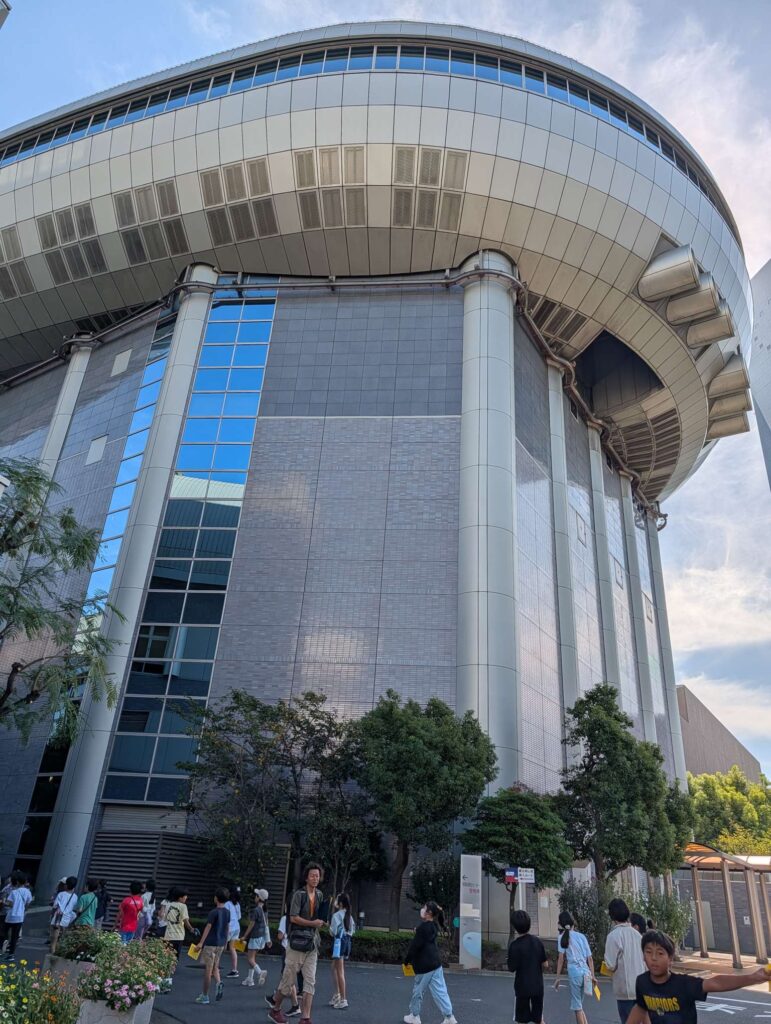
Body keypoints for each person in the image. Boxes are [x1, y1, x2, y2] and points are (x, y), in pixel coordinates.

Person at [626, 929, 768, 1024]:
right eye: (648, 952)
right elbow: (641, 1007)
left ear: (670, 959)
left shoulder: (683, 984)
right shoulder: (642, 982)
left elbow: (716, 983)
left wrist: (754, 977)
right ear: (643, 956)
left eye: (660, 953)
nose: (653, 958)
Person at [268, 863, 326, 1024]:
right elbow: (293, 917)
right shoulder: (299, 895)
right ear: (306, 878)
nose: (315, 878)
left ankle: (305, 1018)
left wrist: (322, 922)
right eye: (312, 875)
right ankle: (275, 1009)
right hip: (297, 943)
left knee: (310, 981)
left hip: (312, 944)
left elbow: (319, 917)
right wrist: (312, 923)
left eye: (317, 876)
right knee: (288, 981)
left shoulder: (320, 895)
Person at [402, 900, 458, 1024]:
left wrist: (406, 961)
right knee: (441, 991)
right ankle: (449, 1017)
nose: (422, 909)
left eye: (424, 908)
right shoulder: (434, 926)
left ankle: (414, 1016)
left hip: (424, 966)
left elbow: (415, 947)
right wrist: (418, 931)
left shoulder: (423, 928)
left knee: (418, 991)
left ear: (429, 913)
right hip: (436, 964)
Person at [604, 898, 646, 1024]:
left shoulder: (613, 936)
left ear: (612, 916)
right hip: (641, 987)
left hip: (625, 990)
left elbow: (610, 965)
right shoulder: (638, 935)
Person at [554, 910, 596, 1024]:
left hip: (574, 972)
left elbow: (561, 959)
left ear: (561, 924)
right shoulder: (582, 936)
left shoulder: (561, 937)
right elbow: (590, 958)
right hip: (586, 972)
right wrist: (593, 976)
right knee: (579, 1005)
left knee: (577, 1007)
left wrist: (557, 978)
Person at [507, 909, 547, 1024]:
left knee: (522, 1019)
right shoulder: (537, 942)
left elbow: (511, 968)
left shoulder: (514, 946)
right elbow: (545, 964)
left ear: (515, 927)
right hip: (538, 986)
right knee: (539, 1019)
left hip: (522, 987)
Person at [193, 886, 230, 1005]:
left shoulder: (213, 912)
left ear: (216, 898)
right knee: (215, 967)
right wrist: (226, 942)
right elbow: (227, 928)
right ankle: (219, 983)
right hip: (221, 944)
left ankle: (205, 995)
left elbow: (208, 927)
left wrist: (201, 942)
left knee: (208, 970)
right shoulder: (227, 912)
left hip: (210, 943)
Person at [265, 906, 302, 1018]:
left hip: (287, 949)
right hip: (297, 950)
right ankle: (277, 999)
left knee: (287, 978)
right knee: (287, 977)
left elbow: (280, 936)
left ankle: (290, 1004)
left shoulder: (285, 918)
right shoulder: (300, 918)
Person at [329, 893, 355, 1010]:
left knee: (339, 971)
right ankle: (337, 995)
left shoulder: (336, 915)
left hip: (339, 943)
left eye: (336, 900)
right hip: (347, 942)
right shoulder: (349, 916)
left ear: (340, 903)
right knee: (333, 967)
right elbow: (352, 931)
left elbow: (333, 931)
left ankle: (343, 999)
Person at [241, 888, 271, 987]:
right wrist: (268, 939)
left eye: (256, 895)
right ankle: (250, 979)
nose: (255, 897)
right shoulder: (265, 911)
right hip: (261, 938)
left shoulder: (256, 910)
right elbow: (267, 925)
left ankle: (260, 972)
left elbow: (251, 924)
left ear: (259, 898)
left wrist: (244, 936)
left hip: (255, 937)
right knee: (253, 958)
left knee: (250, 959)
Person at [161, 885, 199, 960]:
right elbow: (185, 921)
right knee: (175, 957)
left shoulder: (168, 905)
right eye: (185, 896)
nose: (186, 897)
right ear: (180, 897)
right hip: (178, 936)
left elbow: (164, 919)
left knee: (167, 957)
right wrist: (191, 929)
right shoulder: (183, 906)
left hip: (168, 935)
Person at [3, 872, 32, 962]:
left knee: (4, 933)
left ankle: (2, 948)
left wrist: (4, 902)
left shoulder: (14, 892)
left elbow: (10, 904)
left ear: (18, 882)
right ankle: (11, 954)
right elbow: (28, 903)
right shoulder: (28, 892)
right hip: (20, 917)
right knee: (15, 936)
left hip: (11, 916)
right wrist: (23, 909)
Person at [50, 876, 78, 953]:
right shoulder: (75, 897)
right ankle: (59, 951)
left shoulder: (61, 894)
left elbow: (55, 906)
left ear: (66, 885)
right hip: (67, 919)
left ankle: (52, 952)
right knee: (62, 937)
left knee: (54, 938)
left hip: (58, 918)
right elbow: (74, 907)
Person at [224, 885, 242, 979]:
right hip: (237, 928)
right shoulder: (237, 904)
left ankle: (214, 969)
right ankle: (234, 970)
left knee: (219, 948)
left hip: (229, 928)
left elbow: (225, 918)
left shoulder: (227, 904)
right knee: (232, 949)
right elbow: (239, 917)